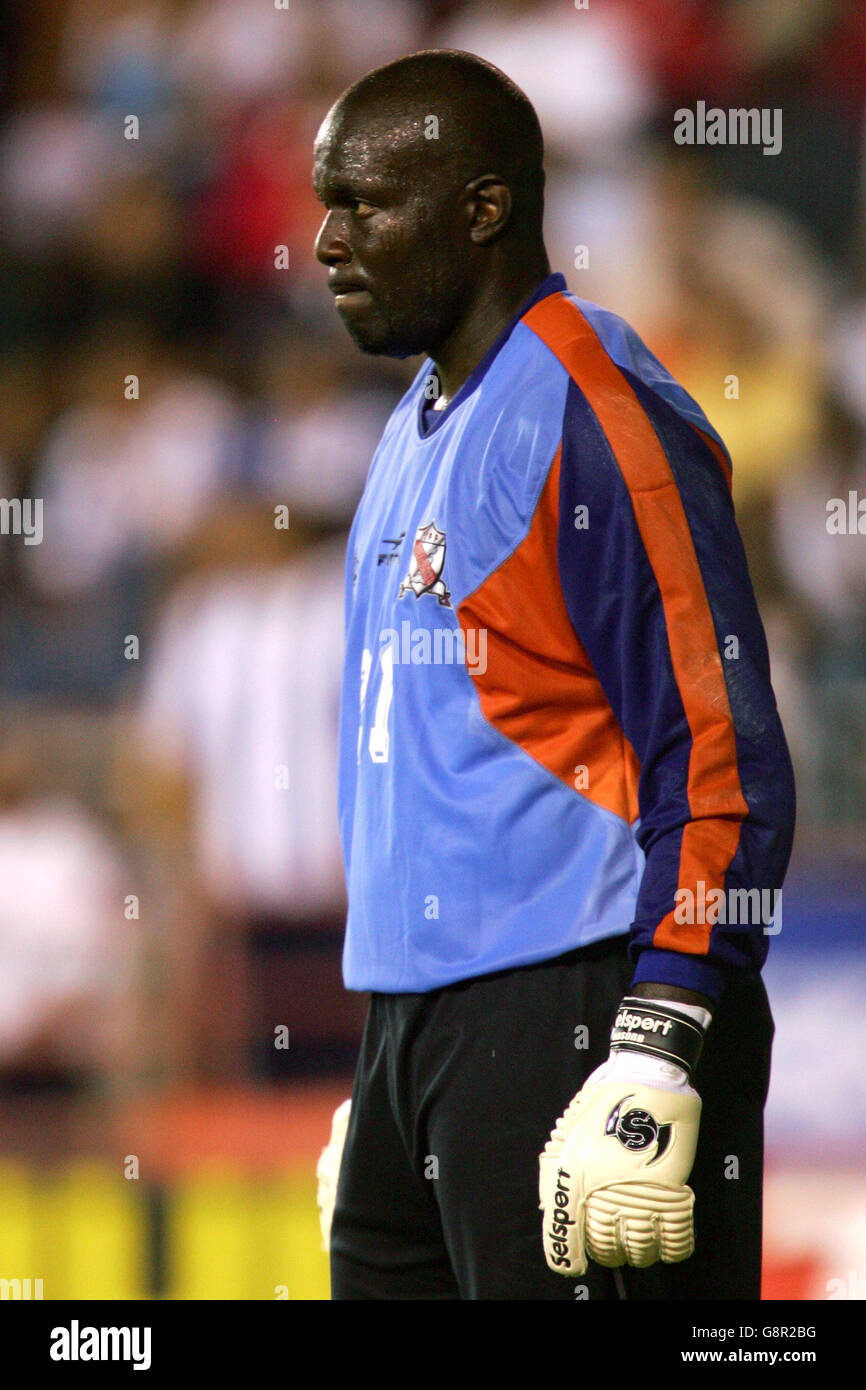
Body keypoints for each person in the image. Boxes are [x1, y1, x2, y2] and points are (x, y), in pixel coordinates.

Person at [311, 49, 795, 1301]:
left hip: (573, 1010)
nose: (324, 239)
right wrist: (389, 1073)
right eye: (327, 202)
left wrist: (660, 1037)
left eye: (364, 202)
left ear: (481, 209)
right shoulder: (412, 418)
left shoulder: (593, 409)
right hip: (419, 1038)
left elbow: (720, 747)